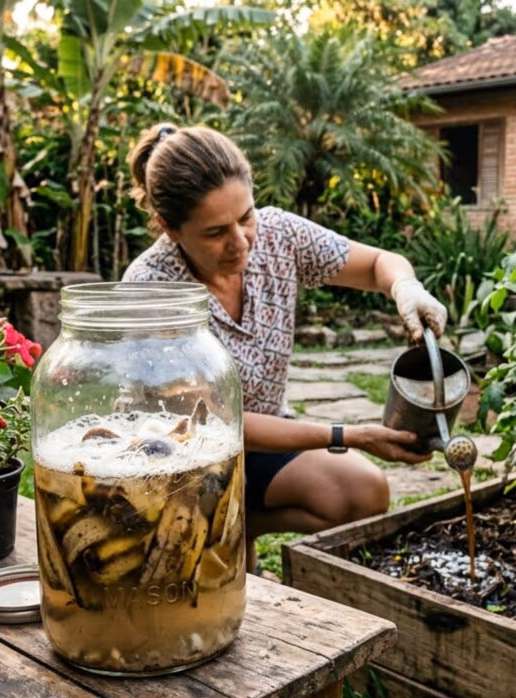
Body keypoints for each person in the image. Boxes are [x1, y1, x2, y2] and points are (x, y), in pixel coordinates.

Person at [121, 122, 448, 572]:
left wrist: (405, 287)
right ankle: (210, 537)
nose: (241, 242)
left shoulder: (278, 235)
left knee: (363, 492)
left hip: (265, 441)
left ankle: (239, 529)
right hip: (184, 462)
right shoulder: (149, 290)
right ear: (168, 228)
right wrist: (349, 436)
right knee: (201, 575)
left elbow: (377, 263)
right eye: (215, 232)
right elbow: (219, 425)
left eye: (245, 217)